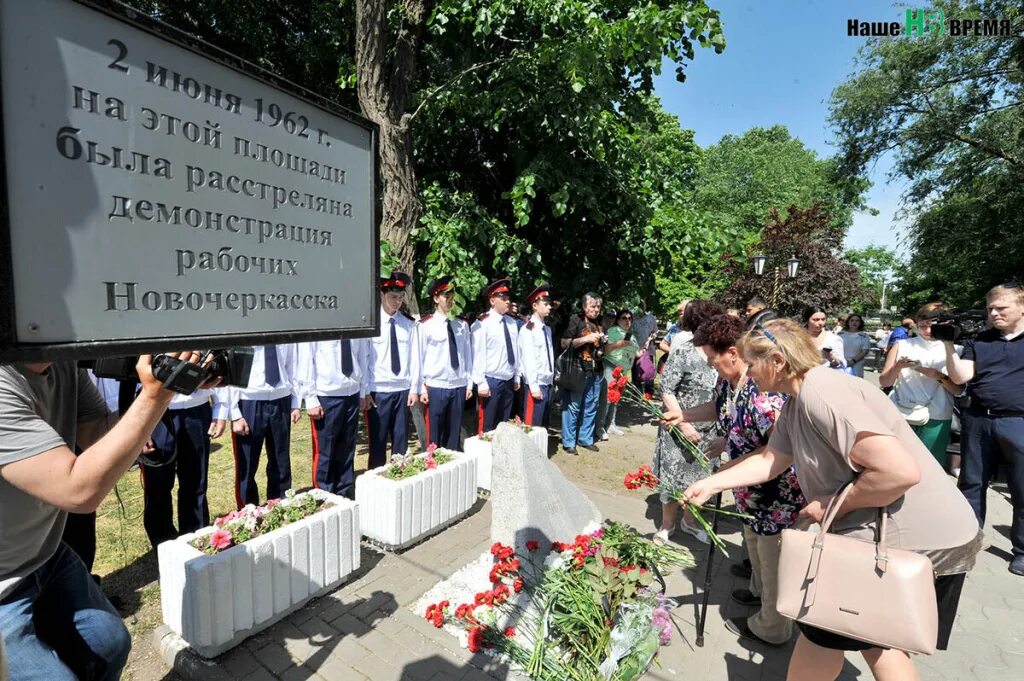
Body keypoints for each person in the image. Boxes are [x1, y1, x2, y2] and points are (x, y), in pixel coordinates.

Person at [683, 319, 981, 680]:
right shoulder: (799, 399)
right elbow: (770, 459)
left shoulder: (822, 394)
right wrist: (713, 484)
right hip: (918, 537)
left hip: (917, 541)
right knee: (870, 639)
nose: (747, 372)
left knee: (828, 629)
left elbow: (898, 472)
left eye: (752, 363)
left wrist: (828, 505)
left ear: (777, 360)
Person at [0, 351, 210, 681]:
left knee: (108, 643)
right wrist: (157, 395)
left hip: (43, 553)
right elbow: (79, 490)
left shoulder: (62, 363)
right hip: (2, 580)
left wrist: (163, 387)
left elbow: (98, 434)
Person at [668, 313, 804, 647]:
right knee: (755, 548)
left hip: (776, 494)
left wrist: (724, 474)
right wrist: (683, 415)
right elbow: (719, 408)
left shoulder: (765, 393)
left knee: (773, 559)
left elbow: (775, 452)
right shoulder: (728, 381)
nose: (713, 368)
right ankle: (760, 597)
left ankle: (772, 627)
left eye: (715, 361)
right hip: (747, 489)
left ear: (733, 352)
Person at [943, 282, 1024, 575]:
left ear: (1021, 307)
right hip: (977, 420)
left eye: (1001, 308)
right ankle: (968, 542)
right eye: (991, 308)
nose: (993, 313)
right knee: (972, 483)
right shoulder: (981, 340)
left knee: (1021, 487)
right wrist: (948, 343)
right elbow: (961, 376)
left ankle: (1022, 551)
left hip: (1018, 421)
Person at [651, 300, 723, 544]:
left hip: (709, 431)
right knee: (672, 479)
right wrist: (684, 425)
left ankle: (690, 522)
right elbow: (667, 389)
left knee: (700, 479)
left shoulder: (720, 353)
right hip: (678, 429)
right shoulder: (683, 351)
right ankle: (667, 525)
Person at [879, 303, 963, 470]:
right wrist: (898, 367)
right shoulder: (903, 344)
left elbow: (958, 390)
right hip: (902, 411)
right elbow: (884, 382)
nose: (926, 330)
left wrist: (938, 376)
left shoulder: (956, 349)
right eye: (922, 326)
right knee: (896, 464)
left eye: (931, 325)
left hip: (937, 414)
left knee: (929, 467)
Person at [140, 388, 228, 547]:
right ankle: (164, 546)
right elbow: (131, 382)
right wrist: (140, 425)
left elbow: (217, 371)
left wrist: (220, 409)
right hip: (156, 414)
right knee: (158, 487)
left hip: (197, 410)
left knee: (196, 483)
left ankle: (196, 539)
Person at [297, 336, 371, 498]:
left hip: (351, 391)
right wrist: (310, 397)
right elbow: (306, 357)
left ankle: (344, 491)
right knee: (325, 451)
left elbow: (361, 354)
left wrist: (363, 390)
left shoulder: (355, 320)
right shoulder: (319, 318)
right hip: (326, 394)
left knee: (347, 447)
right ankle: (323, 495)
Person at [227, 344, 301, 507]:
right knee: (247, 464)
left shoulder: (283, 327)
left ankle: (280, 506)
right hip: (249, 400)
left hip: (280, 398)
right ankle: (248, 512)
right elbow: (232, 367)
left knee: (280, 460)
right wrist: (235, 413)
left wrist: (295, 401)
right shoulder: (244, 325)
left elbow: (292, 364)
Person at [410, 276, 473, 451]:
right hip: (435, 386)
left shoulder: (462, 325)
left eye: (453, 296)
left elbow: (467, 356)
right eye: (446, 296)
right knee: (434, 435)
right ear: (436, 298)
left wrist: (469, 382)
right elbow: (418, 358)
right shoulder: (425, 326)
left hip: (458, 384)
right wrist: (420, 387)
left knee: (454, 433)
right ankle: (432, 469)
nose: (450, 300)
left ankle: (451, 471)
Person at [367, 271, 418, 467]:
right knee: (378, 442)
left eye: (400, 297)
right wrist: (365, 390)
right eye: (393, 297)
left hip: (402, 389)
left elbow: (415, 359)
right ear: (382, 294)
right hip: (379, 390)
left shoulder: (408, 324)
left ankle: (400, 478)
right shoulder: (372, 323)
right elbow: (365, 358)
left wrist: (414, 388)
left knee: (401, 440)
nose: (397, 302)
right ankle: (376, 482)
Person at [471, 278, 521, 433]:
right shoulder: (482, 323)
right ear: (492, 300)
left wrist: (517, 375)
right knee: (487, 425)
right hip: (491, 380)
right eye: (503, 299)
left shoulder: (512, 323)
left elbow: (516, 351)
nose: (508, 302)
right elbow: (477, 354)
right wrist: (481, 382)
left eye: (508, 299)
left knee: (503, 424)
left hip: (508, 379)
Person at [560, 292, 606, 454]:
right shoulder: (576, 320)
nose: (596, 310)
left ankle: (585, 438)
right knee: (573, 406)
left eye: (598, 307)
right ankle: (569, 442)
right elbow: (564, 343)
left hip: (596, 370)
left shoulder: (600, 323)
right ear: (584, 306)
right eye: (593, 306)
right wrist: (585, 340)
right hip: (577, 370)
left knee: (591, 406)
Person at [518, 284, 556, 429]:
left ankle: (541, 451)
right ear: (535, 305)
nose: (549, 307)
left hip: (547, 382)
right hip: (536, 383)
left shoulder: (547, 329)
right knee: (532, 425)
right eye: (545, 304)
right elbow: (528, 359)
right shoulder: (528, 330)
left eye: (550, 304)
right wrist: (533, 385)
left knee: (543, 426)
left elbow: (548, 356)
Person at [602, 309, 641, 436]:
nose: (627, 320)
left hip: (623, 371)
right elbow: (606, 350)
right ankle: (601, 426)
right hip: (611, 366)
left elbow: (637, 352)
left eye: (630, 318)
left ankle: (611, 424)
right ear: (618, 320)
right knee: (607, 398)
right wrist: (619, 344)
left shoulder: (631, 335)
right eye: (624, 318)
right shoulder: (613, 331)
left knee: (616, 398)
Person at [803, 306, 845, 370]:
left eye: (823, 319)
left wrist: (830, 357)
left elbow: (841, 364)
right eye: (816, 320)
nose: (820, 323)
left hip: (825, 376)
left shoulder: (834, 338)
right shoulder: (798, 337)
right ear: (807, 320)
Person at [838, 313, 873, 378]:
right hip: (841, 364)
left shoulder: (864, 336)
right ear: (848, 322)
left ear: (860, 323)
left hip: (857, 365)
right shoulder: (840, 335)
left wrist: (852, 361)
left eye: (857, 321)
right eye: (852, 320)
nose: (854, 322)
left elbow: (864, 351)